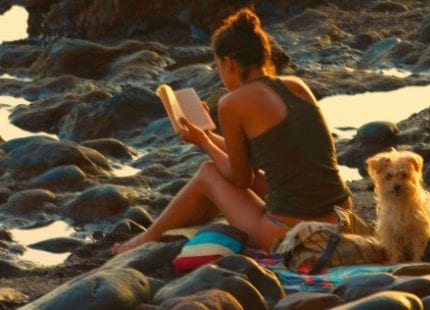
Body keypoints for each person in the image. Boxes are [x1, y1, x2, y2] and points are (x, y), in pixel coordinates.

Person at [112, 7, 352, 255]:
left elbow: (241, 178)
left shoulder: (233, 103)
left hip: (293, 233)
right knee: (231, 174)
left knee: (208, 173)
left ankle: (144, 241)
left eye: (217, 66)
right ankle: (172, 229)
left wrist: (203, 141)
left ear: (229, 63)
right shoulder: (296, 86)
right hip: (341, 217)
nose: (219, 73)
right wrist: (205, 134)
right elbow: (274, 153)